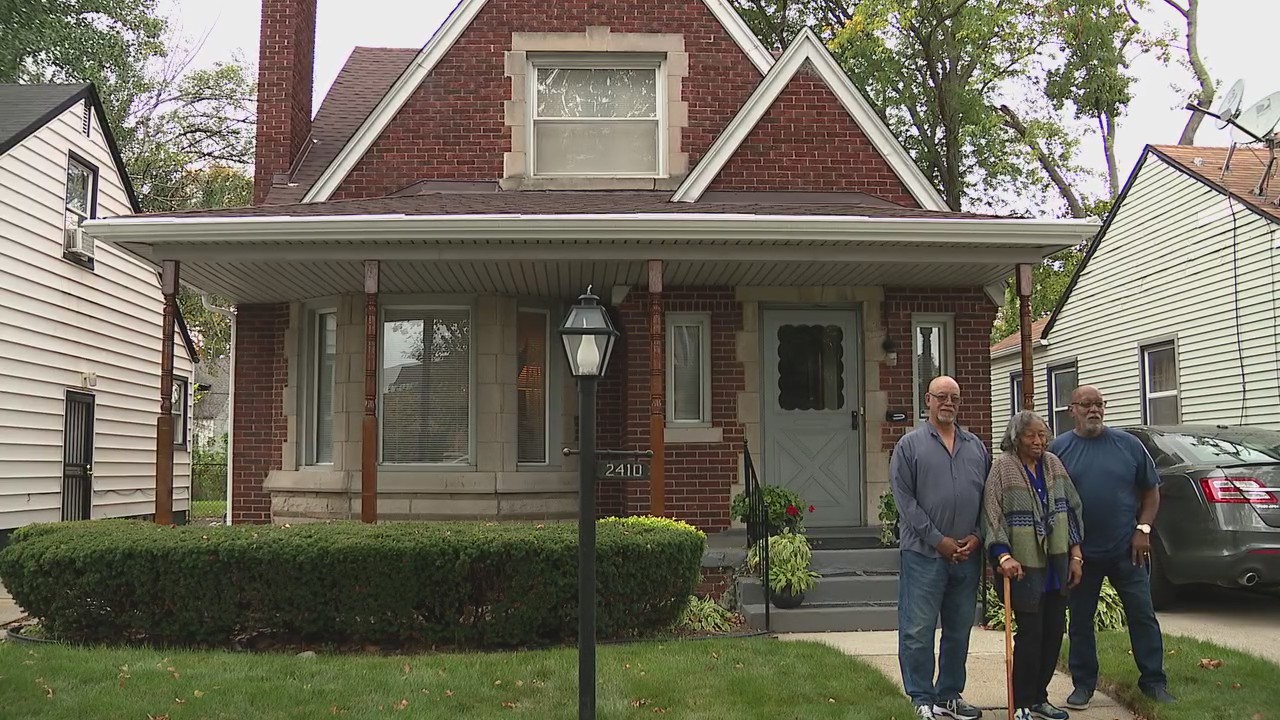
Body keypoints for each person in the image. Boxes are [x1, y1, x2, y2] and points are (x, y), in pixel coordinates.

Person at [1049, 385, 1175, 708]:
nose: (1094, 410)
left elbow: (1151, 491)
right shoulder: (1058, 450)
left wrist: (1143, 529)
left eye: (1099, 404)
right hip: (1082, 555)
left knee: (1143, 615)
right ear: (1071, 410)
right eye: (1086, 404)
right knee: (1080, 620)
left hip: (1127, 551)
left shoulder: (1128, 446)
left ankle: (1154, 682)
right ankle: (1083, 685)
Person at [889, 376, 990, 720]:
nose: (949, 403)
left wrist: (976, 536)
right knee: (918, 629)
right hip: (924, 554)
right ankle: (920, 697)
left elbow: (987, 500)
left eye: (955, 398)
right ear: (928, 401)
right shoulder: (910, 445)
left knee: (959, 629)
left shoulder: (976, 446)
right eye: (942, 397)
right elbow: (905, 501)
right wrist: (939, 541)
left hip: (966, 556)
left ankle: (949, 695)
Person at [982, 411, 1084, 720]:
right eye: (1031, 435)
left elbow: (1073, 508)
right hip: (1022, 567)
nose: (1038, 441)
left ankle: (1040, 697)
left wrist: (1076, 556)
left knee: (1053, 634)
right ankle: (1022, 702)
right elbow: (992, 513)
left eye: (1042, 435)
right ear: (1016, 438)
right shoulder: (1002, 467)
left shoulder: (1053, 464)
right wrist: (1003, 556)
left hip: (1056, 564)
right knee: (1030, 636)